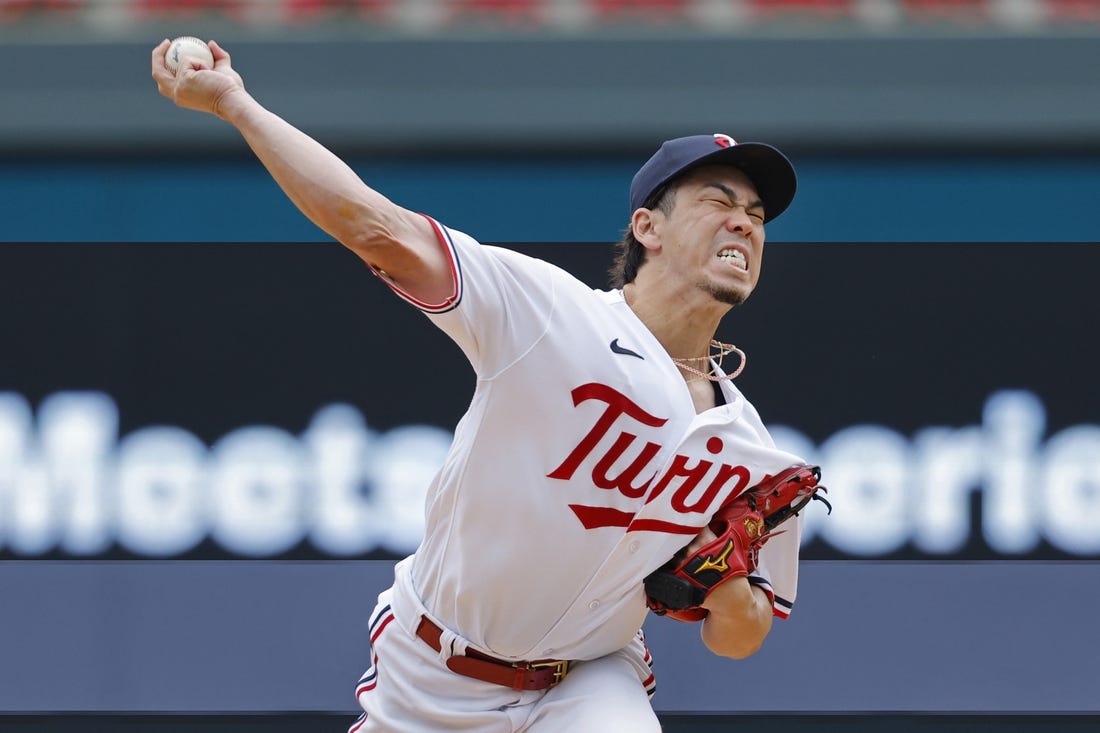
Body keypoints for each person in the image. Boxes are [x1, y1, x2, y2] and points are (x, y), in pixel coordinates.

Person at [152, 39, 811, 733]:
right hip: (432, 669)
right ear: (647, 226)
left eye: (758, 215)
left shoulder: (750, 448)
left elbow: (740, 636)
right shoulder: (551, 312)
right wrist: (234, 103)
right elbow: (373, 225)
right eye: (719, 200)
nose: (745, 221)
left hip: (589, 680)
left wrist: (726, 580)